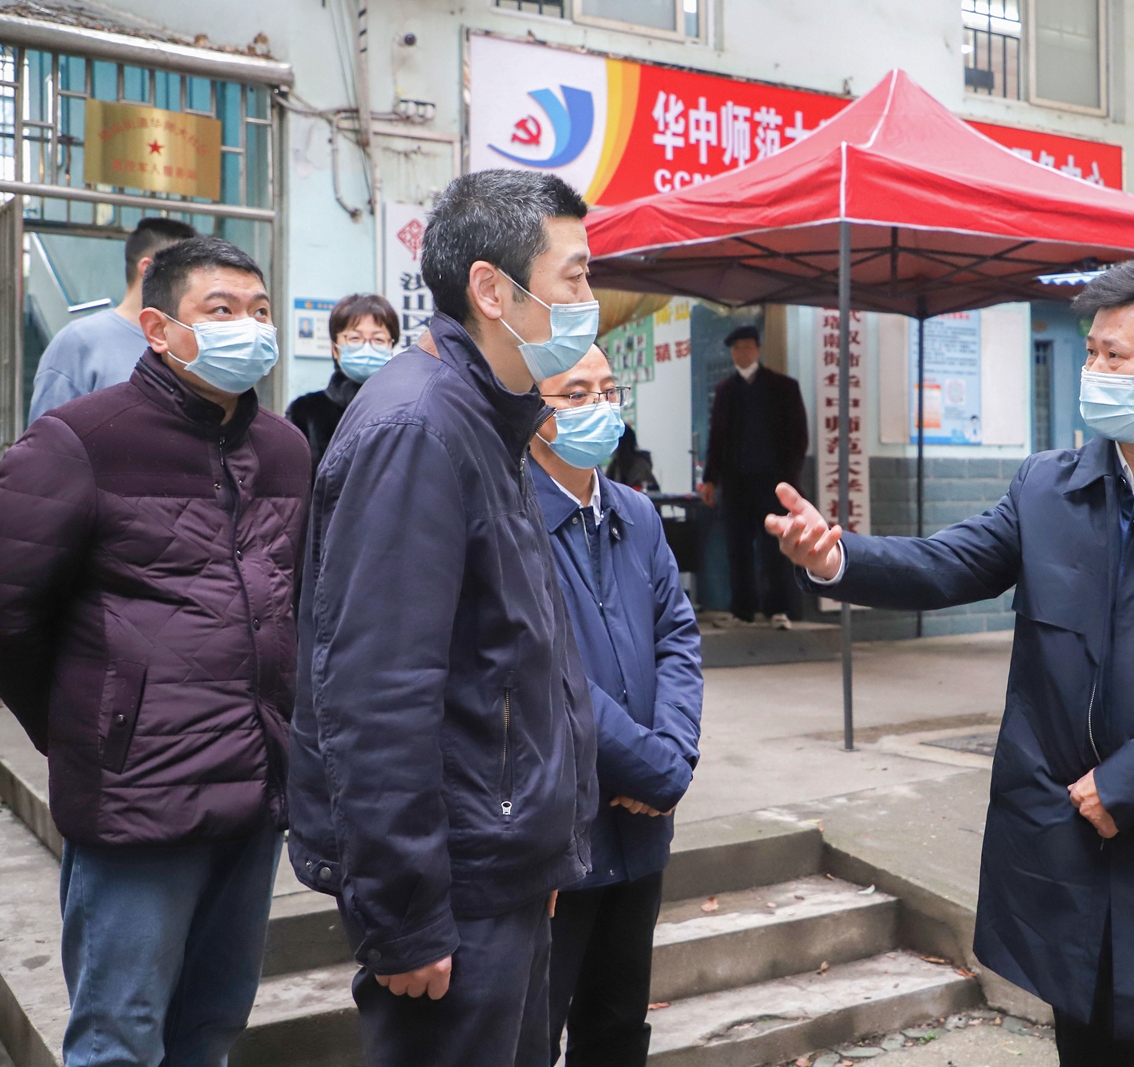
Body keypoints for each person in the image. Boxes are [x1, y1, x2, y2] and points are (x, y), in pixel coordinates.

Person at [769, 260, 1134, 1067]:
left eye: (1114, 356)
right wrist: (835, 556)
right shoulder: (1048, 489)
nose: (1093, 371)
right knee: (1088, 1044)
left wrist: (1128, 783)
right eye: (1089, 351)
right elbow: (944, 564)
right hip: (1073, 847)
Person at [286, 169, 599, 1067]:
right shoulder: (418, 426)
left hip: (500, 865)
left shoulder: (485, 419)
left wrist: (542, 846)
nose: (590, 299)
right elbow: (376, 693)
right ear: (493, 290)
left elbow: (512, 652)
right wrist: (405, 914)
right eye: (575, 275)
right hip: (453, 891)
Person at [0, 236, 310, 1067]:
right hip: (141, 797)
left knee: (211, 1026)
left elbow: (298, 601)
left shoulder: (285, 450)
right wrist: (87, 724)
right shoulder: (81, 440)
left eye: (259, 310)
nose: (250, 326)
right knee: (120, 1037)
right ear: (160, 329)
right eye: (221, 309)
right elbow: (7, 610)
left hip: (254, 787)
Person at [521, 344, 703, 1067]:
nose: (598, 407)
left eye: (607, 390)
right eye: (575, 394)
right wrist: (648, 765)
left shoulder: (636, 513)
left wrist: (673, 755)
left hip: (641, 828)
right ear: (533, 410)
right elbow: (545, 669)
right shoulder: (510, 517)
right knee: (532, 1033)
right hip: (560, 833)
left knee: (620, 1027)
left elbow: (677, 633)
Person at [28, 216, 197, 422]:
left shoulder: (192, 342)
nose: (195, 284)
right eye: (186, 273)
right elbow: (46, 436)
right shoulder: (80, 340)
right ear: (148, 269)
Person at [697, 325, 808, 629]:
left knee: (775, 547)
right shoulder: (725, 390)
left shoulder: (783, 386)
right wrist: (711, 479)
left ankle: (779, 609)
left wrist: (790, 478)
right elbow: (716, 438)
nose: (742, 353)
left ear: (758, 350)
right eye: (736, 349)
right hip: (736, 484)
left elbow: (799, 436)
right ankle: (742, 610)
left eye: (747, 347)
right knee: (738, 547)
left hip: (774, 482)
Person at [285, 292, 399, 471]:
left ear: (391, 346)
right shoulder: (304, 412)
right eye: (354, 338)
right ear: (335, 349)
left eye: (378, 339)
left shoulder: (405, 412)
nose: (366, 347)